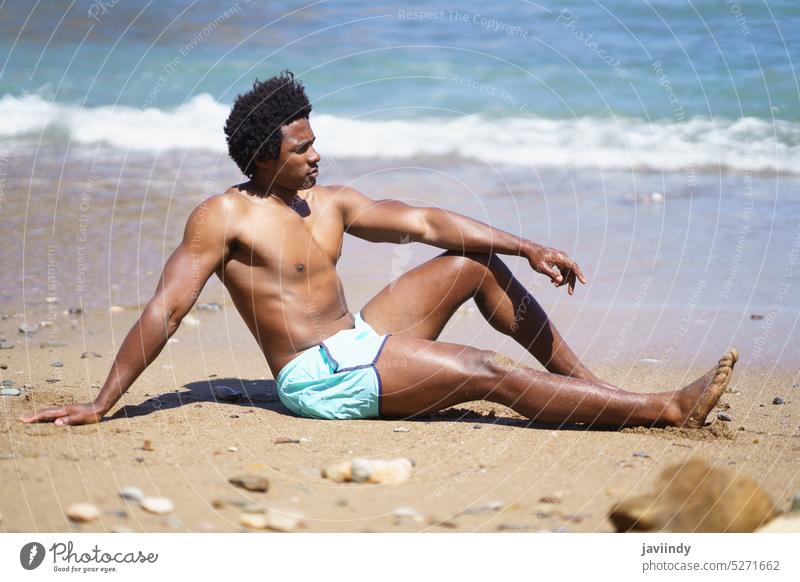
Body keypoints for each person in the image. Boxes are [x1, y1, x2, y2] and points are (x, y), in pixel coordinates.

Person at [21, 71, 737, 428]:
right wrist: (100, 403)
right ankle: (661, 411)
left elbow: (424, 220)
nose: (317, 156)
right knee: (484, 370)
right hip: (316, 378)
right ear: (263, 155)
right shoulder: (223, 217)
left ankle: (600, 392)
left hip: (360, 340)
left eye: (315, 140)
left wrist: (527, 246)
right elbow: (167, 308)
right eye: (302, 149)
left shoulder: (327, 203)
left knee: (472, 266)